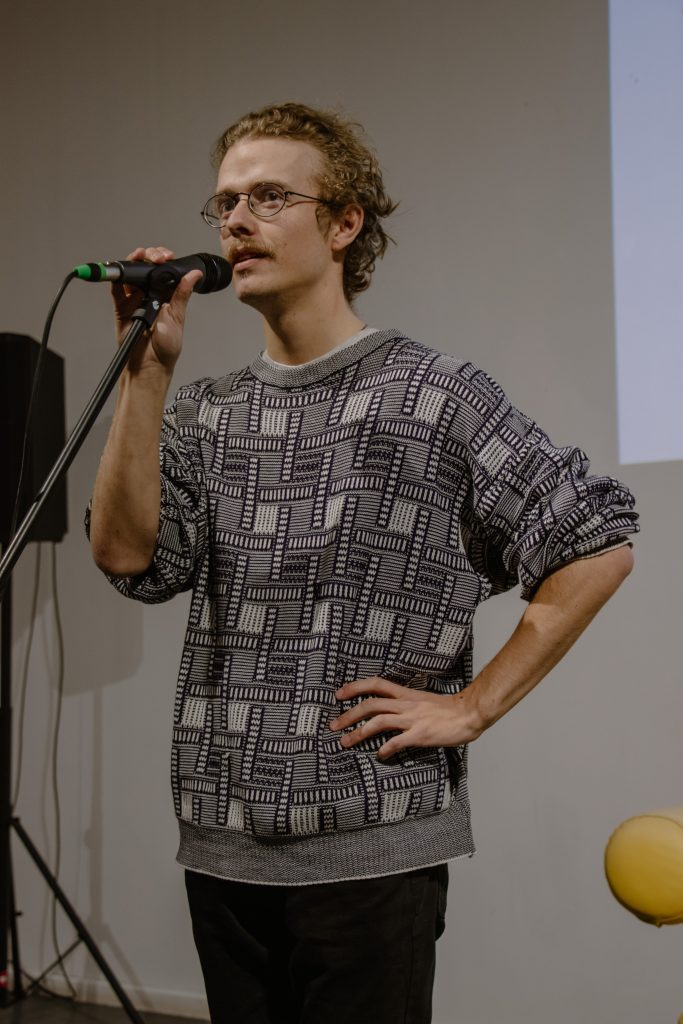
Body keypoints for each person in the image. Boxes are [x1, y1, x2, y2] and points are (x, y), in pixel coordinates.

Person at [87, 102, 638, 1024]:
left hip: (370, 849)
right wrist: (145, 371)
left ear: (345, 224)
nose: (237, 220)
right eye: (225, 202)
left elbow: (595, 542)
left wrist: (472, 706)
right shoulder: (206, 412)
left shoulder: (432, 394)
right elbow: (127, 556)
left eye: (270, 196)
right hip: (222, 844)